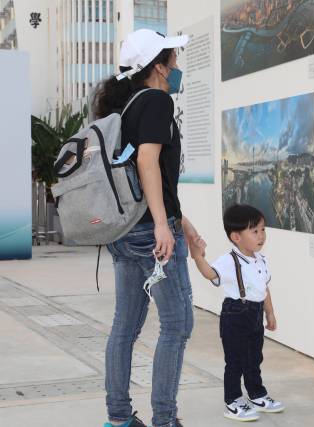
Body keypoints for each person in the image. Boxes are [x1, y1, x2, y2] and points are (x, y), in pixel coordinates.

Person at [92, 29, 203, 427]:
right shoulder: (156, 100)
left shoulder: (126, 108)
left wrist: (181, 222)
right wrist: (163, 226)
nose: (177, 67)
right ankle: (165, 420)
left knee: (125, 325)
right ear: (158, 66)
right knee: (177, 325)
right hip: (148, 234)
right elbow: (147, 163)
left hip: (125, 232)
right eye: (173, 60)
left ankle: (118, 418)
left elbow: (150, 182)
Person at [189, 204, 285, 422]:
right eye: (255, 231)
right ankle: (232, 401)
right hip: (235, 315)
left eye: (263, 230)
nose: (261, 236)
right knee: (235, 361)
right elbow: (210, 274)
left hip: (255, 314)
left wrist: (270, 313)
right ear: (236, 237)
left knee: (254, 358)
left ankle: (257, 394)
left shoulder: (261, 259)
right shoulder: (229, 260)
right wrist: (197, 257)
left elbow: (264, 288)